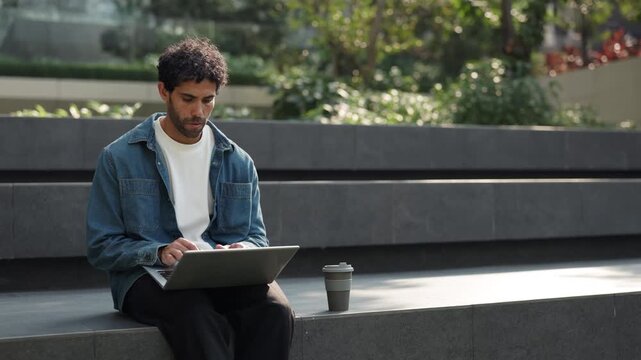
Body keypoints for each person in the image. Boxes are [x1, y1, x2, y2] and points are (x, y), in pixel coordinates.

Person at [86, 37, 294, 360]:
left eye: (208, 100)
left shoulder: (238, 161)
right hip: (147, 275)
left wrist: (245, 250)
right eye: (188, 99)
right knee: (194, 313)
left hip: (222, 275)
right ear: (163, 91)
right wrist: (160, 250)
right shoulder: (119, 158)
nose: (199, 111)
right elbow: (101, 246)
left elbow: (257, 236)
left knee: (276, 311)